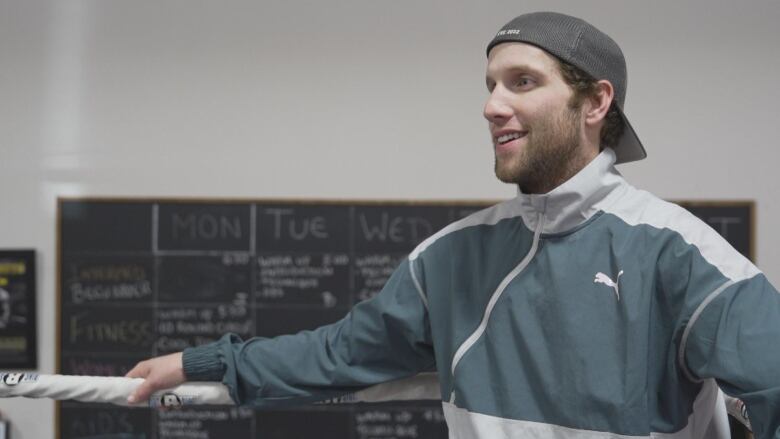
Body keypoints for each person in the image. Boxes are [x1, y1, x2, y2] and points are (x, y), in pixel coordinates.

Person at [126, 12, 780, 439]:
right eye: (491, 84)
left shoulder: (681, 254)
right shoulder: (446, 260)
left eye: (522, 82)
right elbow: (338, 356)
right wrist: (199, 361)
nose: (493, 105)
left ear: (595, 102)